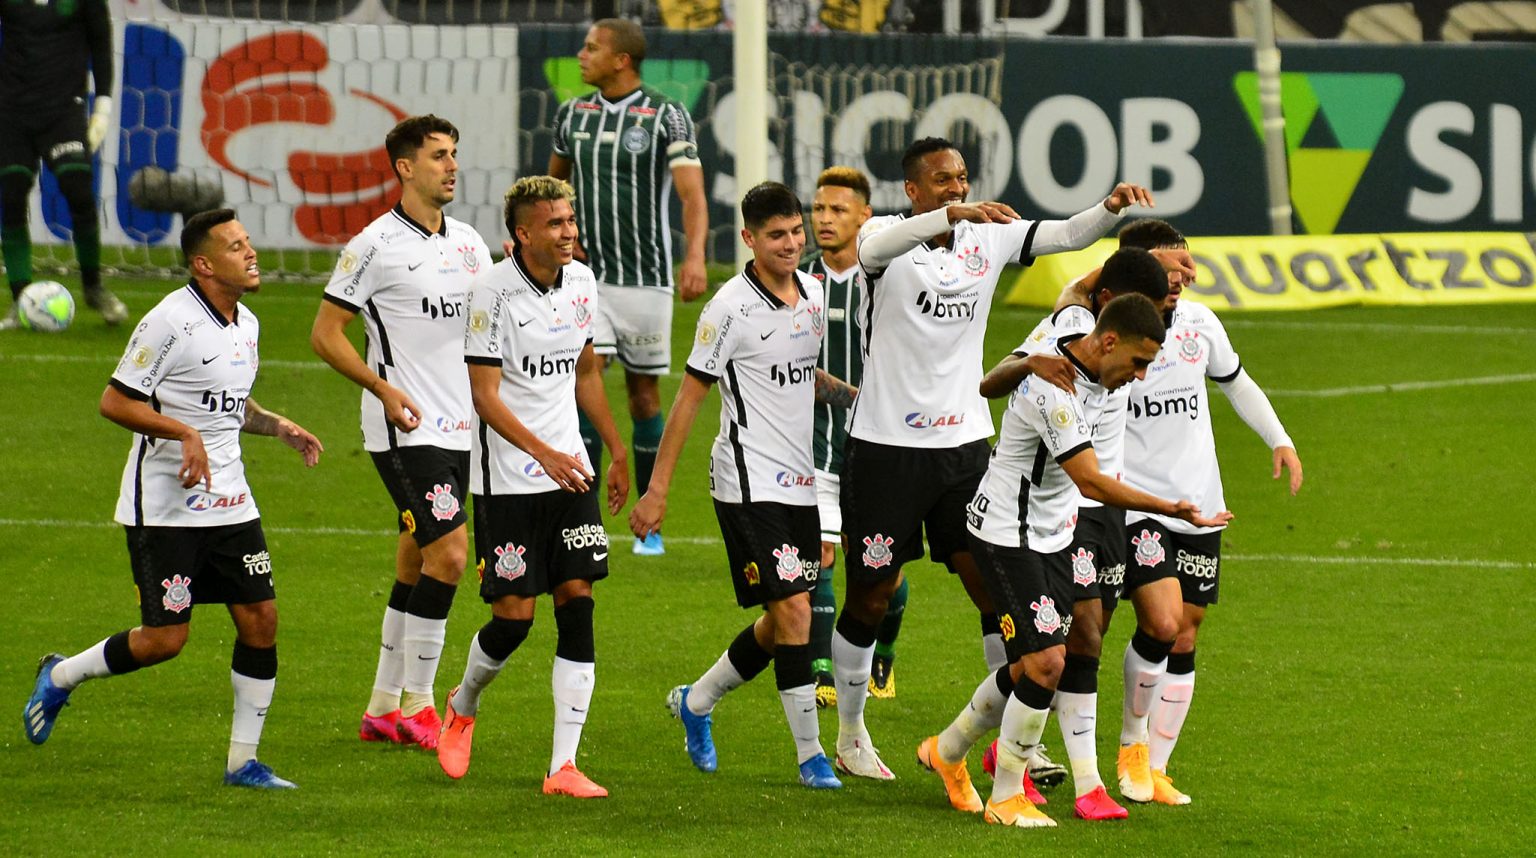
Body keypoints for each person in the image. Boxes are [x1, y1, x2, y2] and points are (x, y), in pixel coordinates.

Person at [832, 135, 1152, 781]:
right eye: (943, 180)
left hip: (964, 449)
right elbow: (865, 248)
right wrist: (952, 216)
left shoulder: (988, 236)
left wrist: (1109, 209)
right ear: (914, 190)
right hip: (886, 450)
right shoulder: (888, 238)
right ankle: (850, 733)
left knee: (991, 587)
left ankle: (1017, 741)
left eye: (962, 178)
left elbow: (1062, 235)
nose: (957, 187)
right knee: (871, 594)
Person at [22, 208, 322, 789]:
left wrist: (276, 425)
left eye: (249, 242)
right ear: (204, 263)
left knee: (261, 620)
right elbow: (116, 401)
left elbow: (229, 406)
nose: (252, 252)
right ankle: (61, 676)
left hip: (232, 500)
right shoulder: (170, 323)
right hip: (165, 506)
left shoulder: (247, 324)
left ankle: (244, 763)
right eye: (236, 247)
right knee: (166, 640)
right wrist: (183, 434)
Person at [917, 293, 1230, 829]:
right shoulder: (1053, 387)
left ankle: (946, 753)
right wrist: (1170, 507)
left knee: (1028, 666)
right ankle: (1008, 794)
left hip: (1054, 534)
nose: (1139, 376)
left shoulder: (1099, 374)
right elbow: (1089, 478)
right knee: (1047, 664)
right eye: (1137, 362)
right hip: (1006, 533)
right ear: (1108, 342)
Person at [630, 181, 857, 788]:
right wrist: (657, 491)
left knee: (784, 620)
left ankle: (696, 701)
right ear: (750, 240)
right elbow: (686, 401)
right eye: (776, 235)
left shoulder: (811, 292)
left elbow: (803, 376)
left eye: (796, 232)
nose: (790, 244)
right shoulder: (728, 309)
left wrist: (858, 400)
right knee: (795, 613)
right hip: (747, 480)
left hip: (801, 481)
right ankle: (811, 757)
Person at [975, 222, 1192, 800]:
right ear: (1108, 319)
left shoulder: (1130, 336)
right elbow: (994, 380)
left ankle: (963, 749)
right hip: (1074, 499)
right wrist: (1029, 362)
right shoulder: (1071, 338)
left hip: (1097, 503)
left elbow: (1080, 289)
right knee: (1071, 644)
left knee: (1084, 643)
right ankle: (1083, 780)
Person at [436, 176, 629, 798]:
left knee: (578, 599)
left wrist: (617, 447)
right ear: (523, 233)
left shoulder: (581, 282)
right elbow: (484, 397)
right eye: (555, 224)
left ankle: (563, 766)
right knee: (514, 619)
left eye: (571, 220)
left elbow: (585, 370)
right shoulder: (490, 294)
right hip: (508, 481)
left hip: (569, 471)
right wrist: (541, 452)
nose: (569, 232)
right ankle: (463, 704)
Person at [310, 115, 492, 750]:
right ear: (405, 168)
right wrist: (382, 388)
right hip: (404, 429)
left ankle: (382, 706)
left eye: (455, 153)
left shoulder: (471, 243)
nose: (451, 165)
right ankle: (419, 702)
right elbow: (324, 334)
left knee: (416, 559)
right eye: (439, 155)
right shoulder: (373, 246)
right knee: (450, 555)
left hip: (462, 427)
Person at [1108, 232, 1304, 807]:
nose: (1183, 276)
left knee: (1188, 628)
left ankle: (1158, 769)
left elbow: (1236, 383)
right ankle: (1129, 747)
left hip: (1201, 503)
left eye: (1186, 267)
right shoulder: (1108, 330)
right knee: (1163, 622)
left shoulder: (1200, 324)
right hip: (1139, 504)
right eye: (1172, 266)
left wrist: (1280, 439)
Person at [549, 17, 709, 557]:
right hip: (585, 279)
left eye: (591, 47)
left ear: (622, 59)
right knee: (581, 378)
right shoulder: (571, 116)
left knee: (644, 394)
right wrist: (559, 237)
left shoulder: (666, 115)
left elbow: (691, 194)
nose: (581, 55)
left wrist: (694, 256)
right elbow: (553, 187)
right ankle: (582, 515)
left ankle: (649, 520)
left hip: (645, 279)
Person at [801, 166, 908, 708]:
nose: (824, 219)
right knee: (819, 555)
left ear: (866, 216)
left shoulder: (891, 276)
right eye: (818, 209)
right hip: (816, 449)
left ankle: (883, 653)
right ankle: (821, 668)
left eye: (838, 210)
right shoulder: (799, 283)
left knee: (882, 570)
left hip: (881, 451)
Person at [0, 0, 128, 329]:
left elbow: (101, 43)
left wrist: (102, 108)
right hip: (12, 112)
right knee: (12, 197)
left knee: (78, 191)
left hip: (63, 112)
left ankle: (93, 287)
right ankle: (21, 298)